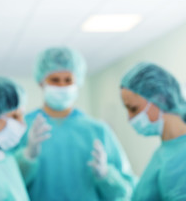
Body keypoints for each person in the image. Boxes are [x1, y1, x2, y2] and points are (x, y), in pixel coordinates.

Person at [17, 47, 137, 201]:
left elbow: (125, 191)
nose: (62, 86)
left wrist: (106, 175)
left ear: (78, 82)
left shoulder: (98, 130)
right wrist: (26, 159)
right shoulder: (22, 127)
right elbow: (8, 184)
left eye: (68, 80)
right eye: (55, 80)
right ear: (41, 82)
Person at [120, 62, 186, 200]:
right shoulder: (165, 151)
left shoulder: (181, 155)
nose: (129, 118)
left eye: (133, 109)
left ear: (159, 99)